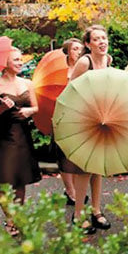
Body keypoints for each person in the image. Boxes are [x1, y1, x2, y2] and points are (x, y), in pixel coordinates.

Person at [0, 47, 41, 236]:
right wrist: (1, 109)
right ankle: (9, 219)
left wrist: (29, 111)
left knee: (20, 179)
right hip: (3, 137)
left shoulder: (28, 83)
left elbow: (36, 107)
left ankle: (18, 217)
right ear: (5, 64)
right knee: (4, 180)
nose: (20, 62)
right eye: (15, 59)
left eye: (20, 58)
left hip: (23, 136)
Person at [68, 25, 113, 235]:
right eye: (96, 39)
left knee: (98, 166)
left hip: (103, 116)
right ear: (88, 44)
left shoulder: (109, 60)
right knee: (84, 168)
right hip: (85, 117)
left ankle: (96, 210)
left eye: (104, 38)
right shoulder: (85, 62)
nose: (102, 42)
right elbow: (71, 91)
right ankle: (78, 214)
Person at [56, 38, 85, 206]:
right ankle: (69, 189)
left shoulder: (83, 68)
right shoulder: (60, 71)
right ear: (67, 51)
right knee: (63, 153)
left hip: (80, 115)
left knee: (76, 153)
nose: (78, 52)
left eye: (80, 49)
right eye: (75, 49)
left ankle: (75, 187)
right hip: (62, 114)